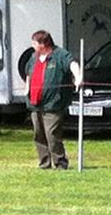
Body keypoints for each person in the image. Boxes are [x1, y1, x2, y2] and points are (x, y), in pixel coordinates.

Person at [23, 30, 82, 170]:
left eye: (35, 43)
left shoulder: (60, 55)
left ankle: (60, 162)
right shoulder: (34, 57)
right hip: (35, 104)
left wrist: (78, 77)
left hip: (53, 104)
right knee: (39, 135)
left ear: (43, 44)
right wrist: (27, 88)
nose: (33, 45)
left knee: (52, 134)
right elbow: (28, 73)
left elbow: (72, 64)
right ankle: (44, 162)